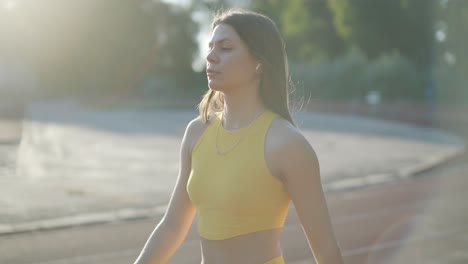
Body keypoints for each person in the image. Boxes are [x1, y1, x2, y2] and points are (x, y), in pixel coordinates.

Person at [134, 8, 343, 264]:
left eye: (225, 48)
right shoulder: (197, 132)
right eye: (210, 47)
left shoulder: (287, 144)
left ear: (259, 62)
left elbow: (326, 250)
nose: (210, 56)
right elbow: (172, 226)